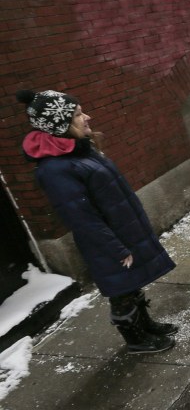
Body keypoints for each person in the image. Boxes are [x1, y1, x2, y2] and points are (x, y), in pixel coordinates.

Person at [16, 89, 178, 354]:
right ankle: (136, 340)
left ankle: (146, 325)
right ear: (60, 124)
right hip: (106, 242)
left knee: (131, 283)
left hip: (120, 231)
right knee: (121, 291)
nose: (87, 117)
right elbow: (81, 218)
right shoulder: (55, 169)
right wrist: (116, 249)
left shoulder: (77, 150)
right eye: (78, 114)